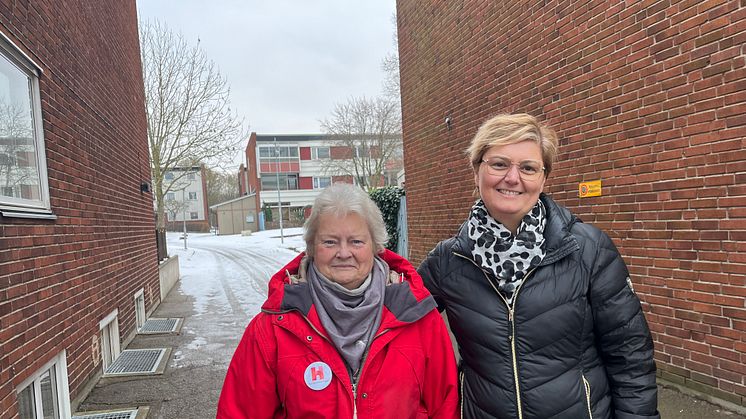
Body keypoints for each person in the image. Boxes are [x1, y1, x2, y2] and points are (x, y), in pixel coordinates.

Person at [418, 113, 660, 419]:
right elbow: (390, 319)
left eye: (528, 168)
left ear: (543, 178)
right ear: (477, 169)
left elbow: (630, 356)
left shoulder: (588, 250)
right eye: (499, 164)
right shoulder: (448, 261)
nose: (512, 177)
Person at [217, 183, 459, 419]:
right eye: (330, 242)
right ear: (311, 247)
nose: (344, 253)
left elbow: (444, 407)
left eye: (356, 241)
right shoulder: (272, 329)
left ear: (376, 246)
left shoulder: (418, 318)